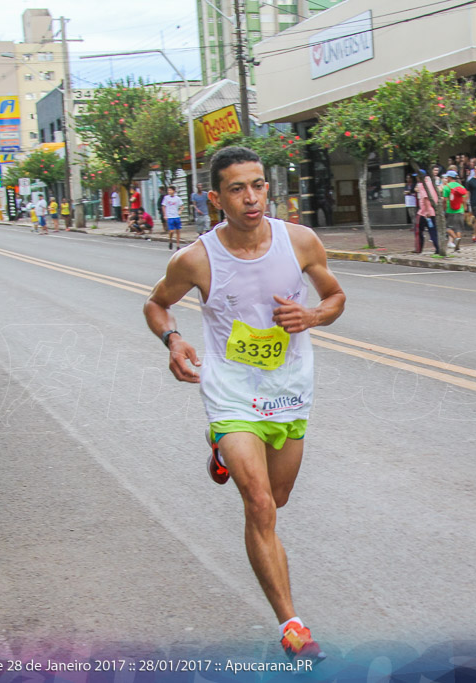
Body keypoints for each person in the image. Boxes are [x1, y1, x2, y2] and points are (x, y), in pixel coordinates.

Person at [143, 146, 345, 661]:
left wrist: (313, 317)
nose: (251, 197)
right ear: (216, 197)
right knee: (257, 503)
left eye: (257, 185)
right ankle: (293, 625)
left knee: (276, 500)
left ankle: (224, 452)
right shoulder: (196, 258)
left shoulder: (299, 241)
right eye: (237, 188)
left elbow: (335, 296)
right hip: (231, 391)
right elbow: (157, 303)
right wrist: (174, 340)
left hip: (289, 388)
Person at [415, 168, 440, 254]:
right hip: (432, 211)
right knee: (433, 231)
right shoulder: (431, 183)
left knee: (418, 230)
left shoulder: (422, 185)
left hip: (424, 212)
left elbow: (425, 198)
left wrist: (427, 212)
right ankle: (438, 248)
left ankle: (418, 249)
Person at [441, 170, 467, 251]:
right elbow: (464, 199)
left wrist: (444, 208)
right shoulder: (461, 187)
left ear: (449, 177)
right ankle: (457, 244)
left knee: (447, 227)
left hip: (450, 210)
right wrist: (464, 208)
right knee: (458, 228)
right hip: (460, 210)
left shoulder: (446, 187)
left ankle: (455, 238)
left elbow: (444, 200)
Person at [161, 185, 184, 250]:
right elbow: (163, 206)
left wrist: (180, 211)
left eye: (170, 190)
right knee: (171, 231)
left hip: (176, 216)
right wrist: (165, 214)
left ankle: (178, 245)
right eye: (168, 190)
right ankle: (170, 240)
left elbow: (182, 206)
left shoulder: (177, 198)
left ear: (174, 191)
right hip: (170, 216)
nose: (169, 191)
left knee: (178, 231)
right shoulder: (166, 198)